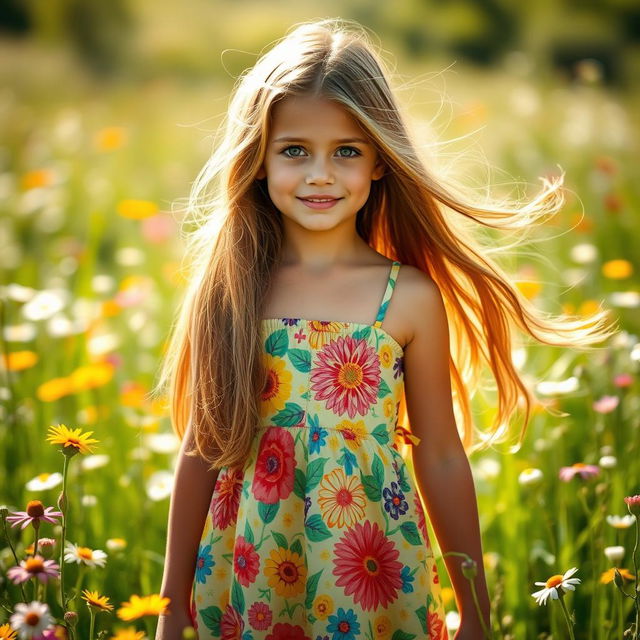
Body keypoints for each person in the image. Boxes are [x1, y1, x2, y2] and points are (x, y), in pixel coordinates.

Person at [154, 18, 617, 640]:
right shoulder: (234, 288)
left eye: (347, 151)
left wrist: (476, 613)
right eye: (295, 150)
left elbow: (444, 459)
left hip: (372, 569)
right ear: (258, 159)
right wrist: (171, 604)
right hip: (249, 568)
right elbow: (203, 446)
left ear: (379, 162)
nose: (321, 174)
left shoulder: (409, 298)